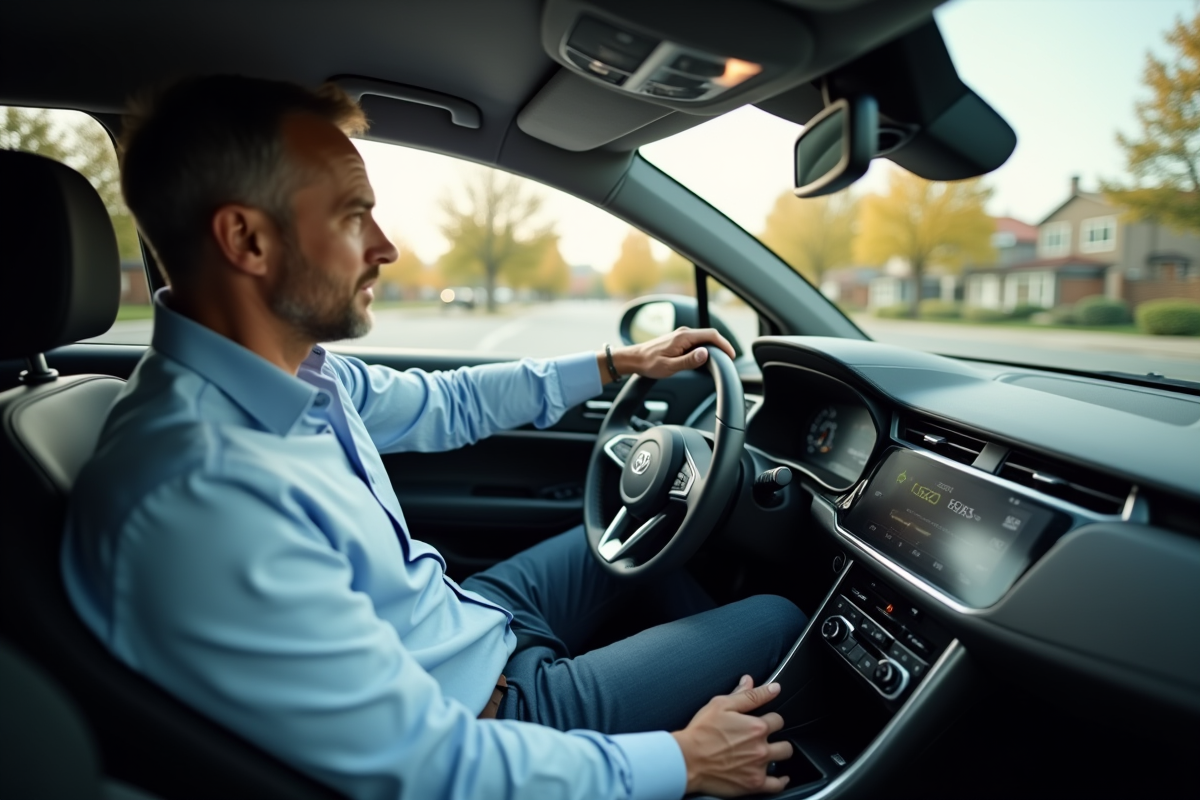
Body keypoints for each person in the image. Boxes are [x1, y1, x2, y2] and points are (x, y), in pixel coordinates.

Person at [62, 75, 807, 800]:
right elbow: (430, 770)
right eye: (356, 217)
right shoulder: (202, 491)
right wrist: (684, 760)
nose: (385, 247)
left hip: (471, 617)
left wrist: (619, 363)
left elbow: (446, 401)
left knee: (649, 522)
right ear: (247, 239)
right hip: (494, 712)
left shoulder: (293, 376)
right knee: (779, 621)